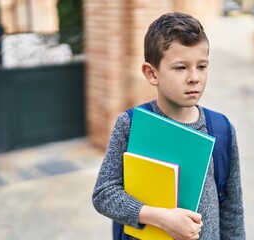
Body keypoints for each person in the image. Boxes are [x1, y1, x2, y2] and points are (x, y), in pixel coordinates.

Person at [92, 12, 245, 239]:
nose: (194, 77)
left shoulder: (221, 129)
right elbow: (104, 194)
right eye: (181, 68)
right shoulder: (131, 125)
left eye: (201, 66)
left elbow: (233, 210)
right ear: (152, 73)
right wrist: (161, 218)